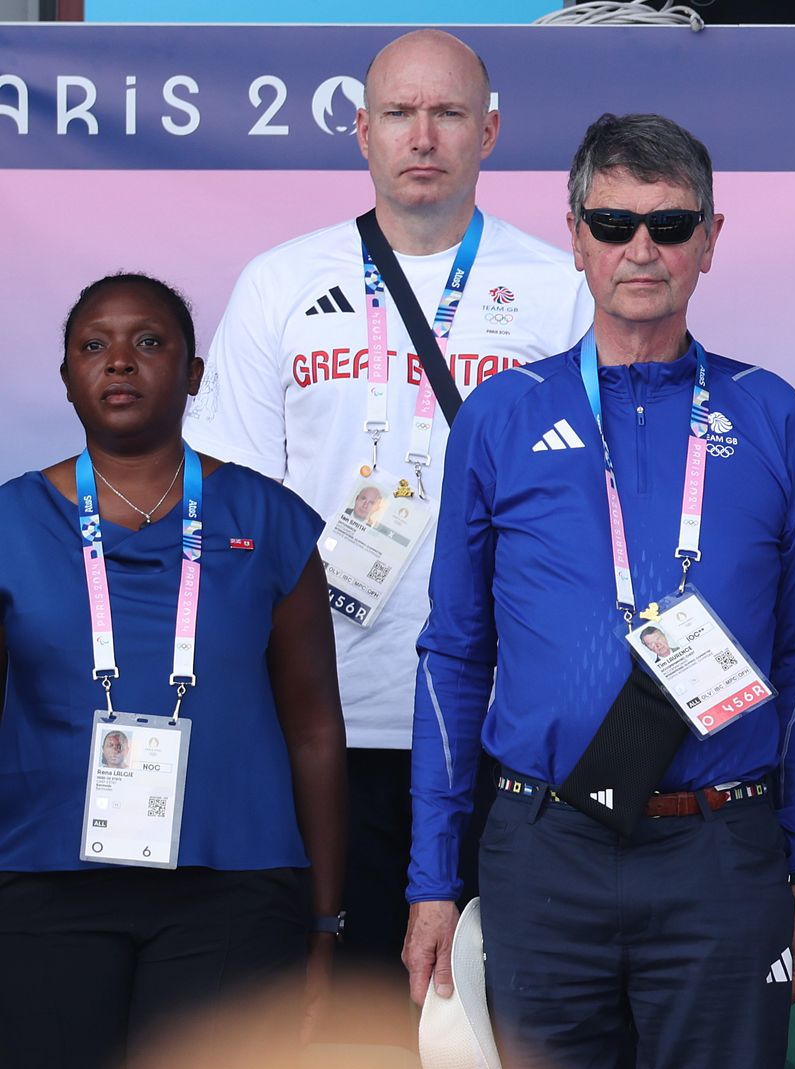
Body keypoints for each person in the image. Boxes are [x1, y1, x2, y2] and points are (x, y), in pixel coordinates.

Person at [404, 113, 795, 1069]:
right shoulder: (503, 414)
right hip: (545, 848)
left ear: (711, 240)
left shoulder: (771, 412)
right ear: (573, 235)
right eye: (612, 224)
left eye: (671, 224)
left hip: (721, 849)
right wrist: (433, 881)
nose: (641, 249)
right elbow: (454, 653)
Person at [182, 29, 593, 998]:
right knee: (339, 1012)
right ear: (360, 133)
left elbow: (591, 518)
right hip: (319, 726)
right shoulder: (280, 284)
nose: (424, 136)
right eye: (400, 114)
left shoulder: (560, 293)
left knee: (488, 1023)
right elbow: (231, 512)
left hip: (501, 730)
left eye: (448, 113)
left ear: (489, 132)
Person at [0, 274, 348, 1069]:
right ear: (66, 379)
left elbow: (315, 731)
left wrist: (326, 920)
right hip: (44, 886)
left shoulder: (267, 517)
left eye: (150, 343)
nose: (120, 362)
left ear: (193, 374)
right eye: (94, 346)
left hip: (232, 888)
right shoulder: (13, 522)